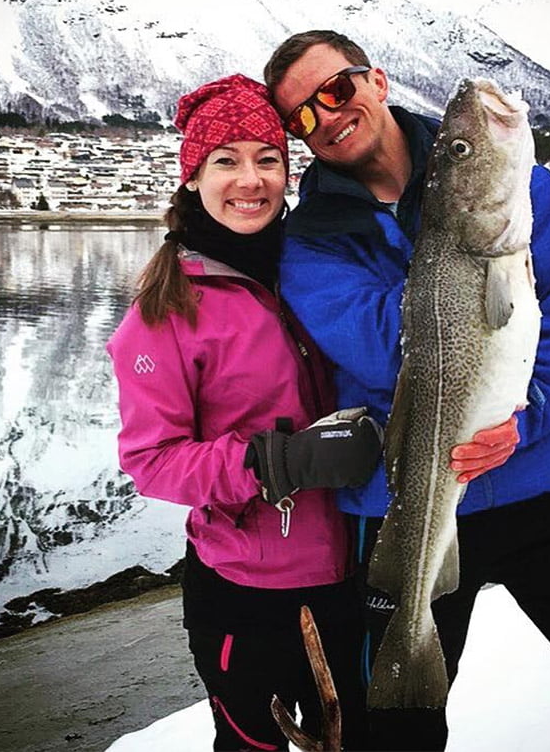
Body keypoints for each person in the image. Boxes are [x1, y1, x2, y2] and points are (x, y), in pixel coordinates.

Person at [263, 31, 550, 751]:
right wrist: (463, 259)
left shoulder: (520, 191)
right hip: (406, 508)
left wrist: (528, 417)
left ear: (377, 81)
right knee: (396, 732)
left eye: (337, 89)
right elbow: (387, 345)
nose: (327, 116)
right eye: (302, 119)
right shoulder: (309, 243)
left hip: (540, 485)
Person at [106, 73, 383, 751]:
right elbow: (150, 460)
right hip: (244, 591)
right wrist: (272, 462)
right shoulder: (163, 312)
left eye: (267, 159)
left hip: (353, 570)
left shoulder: (316, 267)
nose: (249, 179)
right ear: (193, 176)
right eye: (225, 161)